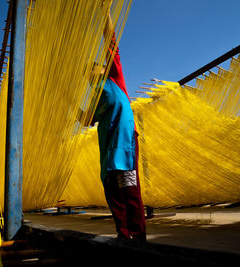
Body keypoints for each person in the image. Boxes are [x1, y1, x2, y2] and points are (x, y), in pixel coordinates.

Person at [82, 5, 146, 241]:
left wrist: (104, 12)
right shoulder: (96, 98)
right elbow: (86, 120)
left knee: (129, 189)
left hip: (125, 142)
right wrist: (64, 98)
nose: (93, 68)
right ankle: (123, 234)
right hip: (108, 152)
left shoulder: (114, 78)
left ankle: (138, 237)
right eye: (89, 70)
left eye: (96, 65)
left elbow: (110, 41)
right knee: (112, 192)